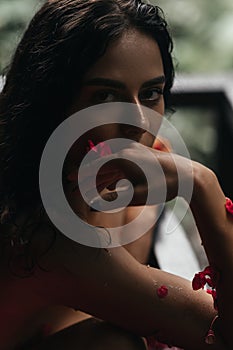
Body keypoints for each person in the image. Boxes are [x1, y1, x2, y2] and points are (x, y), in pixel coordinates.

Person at [0, 0, 233, 349]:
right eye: (105, 95)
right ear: (50, 103)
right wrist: (203, 185)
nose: (139, 122)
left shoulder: (134, 166)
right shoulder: (45, 233)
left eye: (151, 93)